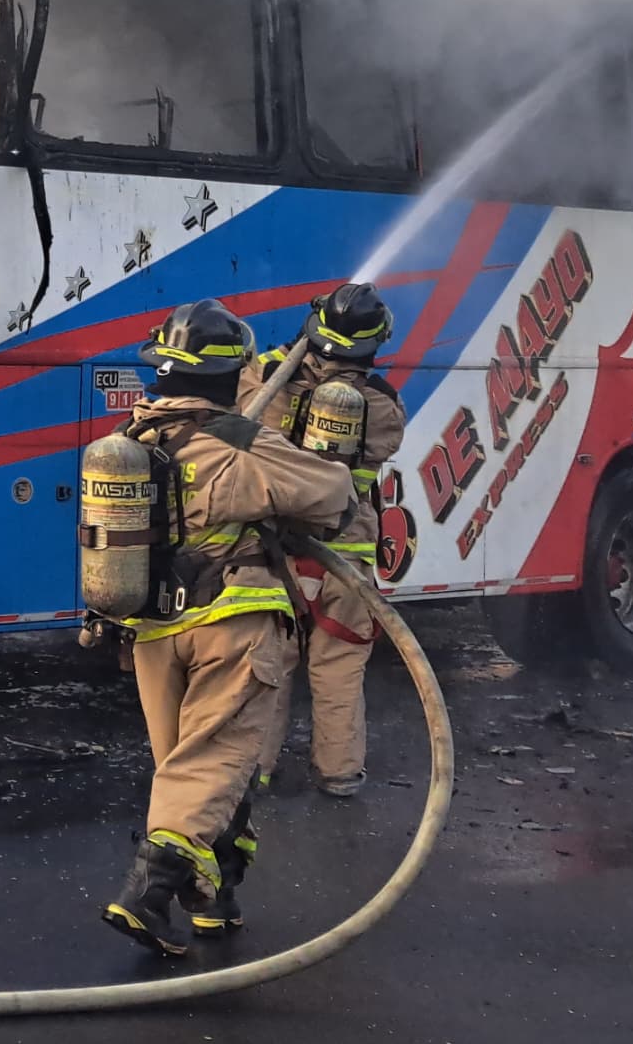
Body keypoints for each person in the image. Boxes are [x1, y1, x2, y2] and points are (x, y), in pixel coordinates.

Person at [100, 300, 360, 957]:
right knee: (215, 762)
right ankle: (148, 894)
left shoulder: (131, 443)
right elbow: (336, 496)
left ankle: (215, 897)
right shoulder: (244, 442)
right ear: (228, 374)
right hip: (231, 624)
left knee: (195, 770)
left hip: (156, 629)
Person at [253, 283, 408, 797]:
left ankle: (256, 771)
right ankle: (339, 775)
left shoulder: (274, 382)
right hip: (346, 555)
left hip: (277, 552)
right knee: (338, 667)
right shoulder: (383, 405)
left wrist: (295, 347)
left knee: (270, 666)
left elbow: (244, 389)